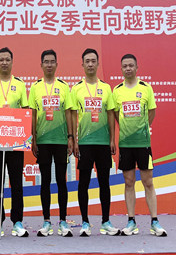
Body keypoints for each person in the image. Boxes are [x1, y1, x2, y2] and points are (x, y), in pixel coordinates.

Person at [113, 54, 166, 237]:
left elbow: (152, 111)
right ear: (121, 69)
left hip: (143, 143)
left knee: (148, 182)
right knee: (129, 182)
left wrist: (142, 129)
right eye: (125, 66)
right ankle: (131, 221)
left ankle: (154, 221)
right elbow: (116, 114)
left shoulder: (146, 88)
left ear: (137, 68)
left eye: (131, 65)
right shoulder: (117, 91)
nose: (128, 68)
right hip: (125, 144)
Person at [71, 48, 119, 237]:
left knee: (104, 182)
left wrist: (112, 139)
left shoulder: (106, 88)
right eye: (87, 61)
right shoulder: (76, 89)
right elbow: (73, 116)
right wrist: (74, 140)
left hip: (103, 143)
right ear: (82, 64)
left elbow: (110, 114)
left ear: (98, 64)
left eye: (93, 61)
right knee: (83, 182)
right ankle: (85, 222)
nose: (90, 64)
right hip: (84, 142)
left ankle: (106, 221)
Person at [0, 47, 29, 238]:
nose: (4, 62)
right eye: (1, 59)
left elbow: (26, 110)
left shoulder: (20, 84)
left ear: (12, 62)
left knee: (17, 182)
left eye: (7, 59)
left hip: (16, 141)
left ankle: (17, 221)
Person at [29, 49, 74, 237]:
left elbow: (68, 112)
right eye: (46, 62)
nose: (49, 65)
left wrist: (70, 137)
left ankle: (63, 221)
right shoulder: (35, 87)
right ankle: (46, 221)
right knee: (45, 181)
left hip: (61, 140)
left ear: (56, 64)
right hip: (43, 141)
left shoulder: (64, 87)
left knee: (62, 181)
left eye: (52, 61)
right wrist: (33, 138)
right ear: (41, 65)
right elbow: (33, 114)